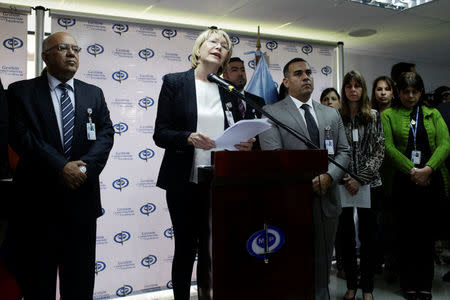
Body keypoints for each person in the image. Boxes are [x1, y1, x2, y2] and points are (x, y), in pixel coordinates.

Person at [3, 32, 114, 299]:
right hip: (37, 206)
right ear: (45, 56)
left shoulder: (93, 93)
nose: (71, 53)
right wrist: (60, 168)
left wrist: (82, 169)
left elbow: (106, 135)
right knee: (38, 284)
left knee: (79, 283)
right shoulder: (21, 91)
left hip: (81, 204)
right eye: (62, 48)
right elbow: (21, 136)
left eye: (76, 48)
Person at [153, 27, 254, 300]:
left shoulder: (229, 91)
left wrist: (244, 144)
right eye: (213, 41)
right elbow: (160, 133)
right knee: (185, 248)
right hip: (183, 180)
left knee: (217, 246)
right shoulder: (175, 83)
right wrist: (188, 137)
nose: (219, 46)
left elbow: (232, 132)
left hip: (219, 179)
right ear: (199, 48)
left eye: (224, 45)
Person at [259, 57, 350, 300]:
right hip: (292, 201)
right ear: (286, 82)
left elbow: (344, 151)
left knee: (322, 266)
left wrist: (329, 177)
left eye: (308, 72)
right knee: (292, 262)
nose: (306, 76)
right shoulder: (271, 112)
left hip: (327, 198)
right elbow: (274, 156)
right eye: (298, 73)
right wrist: (307, 181)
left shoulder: (330, 114)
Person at [381, 72, 449, 300]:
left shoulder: (433, 113)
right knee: (406, 237)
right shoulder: (388, 115)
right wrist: (413, 171)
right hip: (403, 183)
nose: (410, 96)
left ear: (420, 92)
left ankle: (425, 285)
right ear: (398, 92)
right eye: (406, 91)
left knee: (426, 237)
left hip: (430, 183)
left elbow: (445, 144)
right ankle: (409, 284)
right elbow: (388, 148)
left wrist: (428, 169)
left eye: (415, 91)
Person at [338, 71, 385, 300]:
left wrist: (361, 178)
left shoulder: (374, 116)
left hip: (369, 184)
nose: (353, 90)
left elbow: (379, 151)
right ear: (344, 89)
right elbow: (335, 150)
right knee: (346, 237)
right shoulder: (337, 116)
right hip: (343, 184)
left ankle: (367, 288)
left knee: (369, 239)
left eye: (357, 86)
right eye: (349, 86)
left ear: (363, 89)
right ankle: (351, 285)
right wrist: (348, 178)